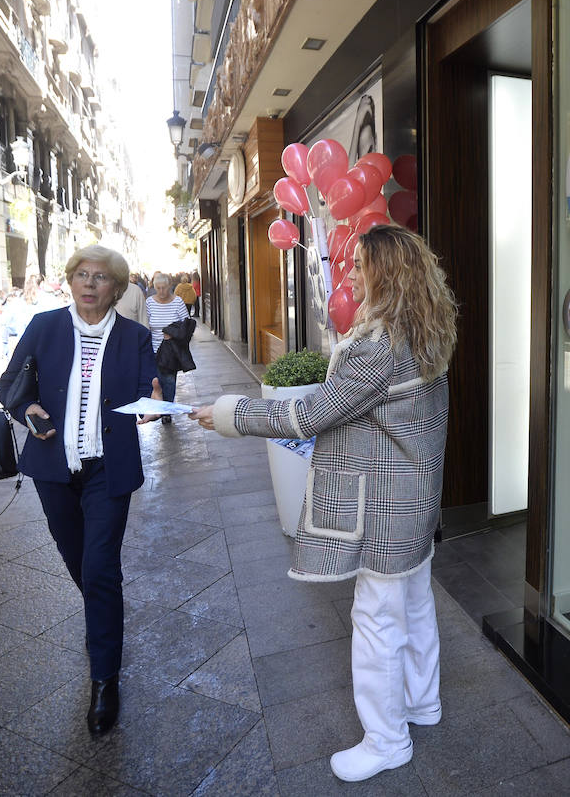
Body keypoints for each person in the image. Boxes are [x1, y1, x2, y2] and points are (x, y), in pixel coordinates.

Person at [191, 224, 458, 782]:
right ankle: (421, 702)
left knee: (377, 617)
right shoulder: (424, 328)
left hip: (385, 505)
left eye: (361, 265)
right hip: (415, 496)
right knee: (412, 602)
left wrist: (230, 415)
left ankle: (387, 740)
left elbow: (311, 414)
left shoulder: (380, 344)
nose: (351, 274)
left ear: (386, 274)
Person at [0, 245, 162, 736]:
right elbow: (9, 385)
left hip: (108, 470)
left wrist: (157, 398)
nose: (90, 284)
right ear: (70, 281)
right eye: (82, 275)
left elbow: (153, 384)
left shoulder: (133, 336)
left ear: (118, 287)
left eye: (102, 277)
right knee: (79, 563)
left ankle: (104, 677)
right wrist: (27, 411)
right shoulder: (45, 327)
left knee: (100, 568)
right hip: (53, 469)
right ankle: (103, 618)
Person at [146, 272, 190, 423]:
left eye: (164, 288)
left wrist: (174, 334)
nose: (161, 291)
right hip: (153, 349)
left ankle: (166, 412)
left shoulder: (178, 302)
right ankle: (160, 407)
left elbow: (187, 325)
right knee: (157, 380)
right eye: (158, 288)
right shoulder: (149, 303)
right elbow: (145, 326)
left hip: (171, 350)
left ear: (170, 286)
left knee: (169, 381)